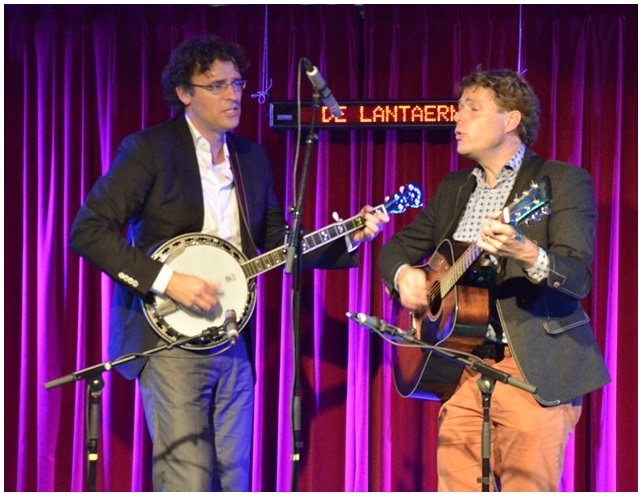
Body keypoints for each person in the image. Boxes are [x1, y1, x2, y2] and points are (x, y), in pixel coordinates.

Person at [70, 35, 389, 491]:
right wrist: (167, 280)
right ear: (185, 93)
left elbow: (279, 242)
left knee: (234, 477)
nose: (233, 95)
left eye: (237, 83)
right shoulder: (150, 150)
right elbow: (88, 230)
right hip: (169, 340)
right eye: (217, 85)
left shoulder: (250, 159)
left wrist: (348, 238)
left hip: (232, 339)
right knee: (188, 479)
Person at [377, 68, 610, 491]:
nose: (457, 118)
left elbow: (578, 275)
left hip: (532, 371)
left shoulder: (560, 181)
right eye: (458, 108)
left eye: (472, 109)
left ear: (511, 120)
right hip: (461, 369)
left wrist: (528, 252)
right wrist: (404, 274)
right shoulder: (454, 188)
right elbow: (395, 249)